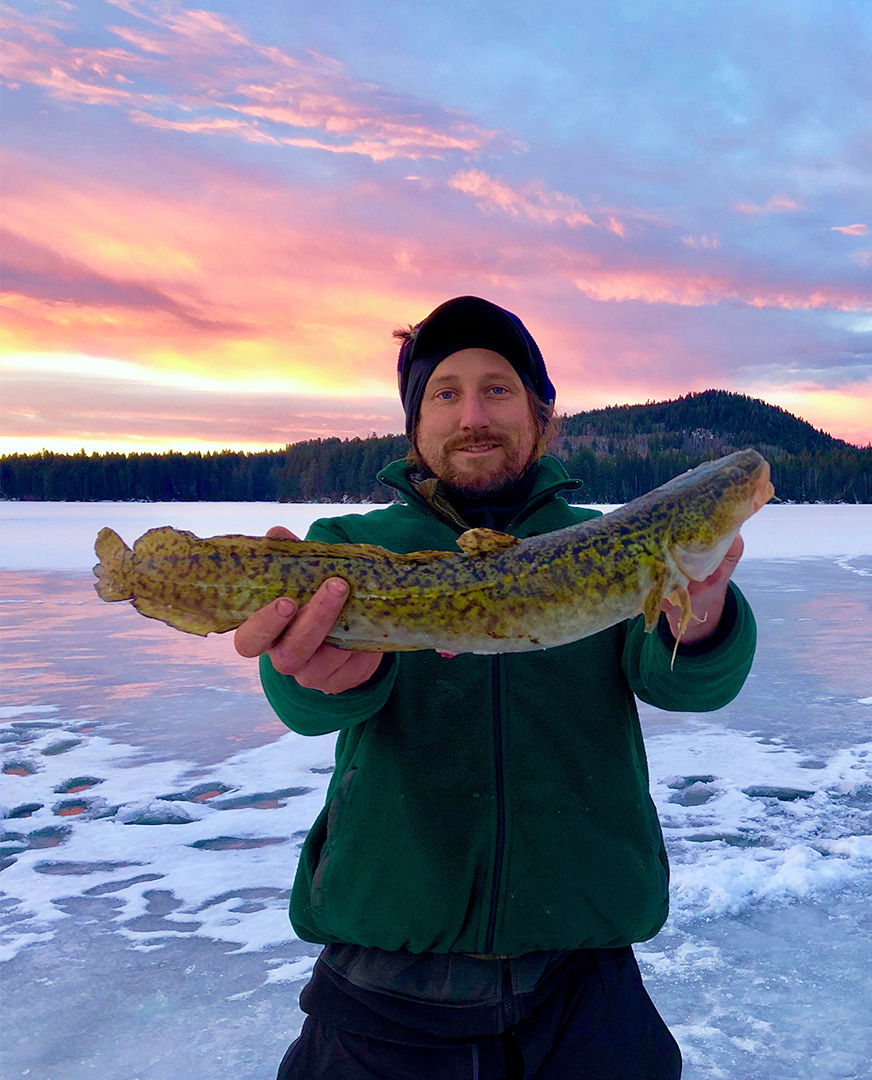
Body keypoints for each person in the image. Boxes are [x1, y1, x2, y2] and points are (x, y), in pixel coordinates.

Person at [234, 296, 757, 1079]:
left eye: (499, 389)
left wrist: (703, 616)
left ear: (542, 416)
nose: (473, 413)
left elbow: (688, 685)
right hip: (384, 968)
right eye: (445, 392)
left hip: (584, 972)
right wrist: (316, 678)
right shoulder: (350, 548)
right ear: (415, 426)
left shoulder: (605, 542)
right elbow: (306, 703)